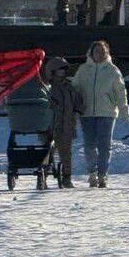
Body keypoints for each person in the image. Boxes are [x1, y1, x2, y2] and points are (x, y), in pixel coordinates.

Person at [72, 40, 129, 188]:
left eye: (103, 51)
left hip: (107, 113)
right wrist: (73, 109)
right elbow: (75, 89)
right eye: (97, 51)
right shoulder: (83, 70)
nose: (100, 54)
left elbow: (121, 92)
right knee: (89, 145)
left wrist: (124, 111)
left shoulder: (113, 70)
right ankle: (92, 172)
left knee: (104, 145)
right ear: (91, 53)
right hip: (87, 113)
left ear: (107, 53)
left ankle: (102, 175)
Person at [44, 56, 84, 188]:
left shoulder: (69, 86)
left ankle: (67, 178)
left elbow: (78, 101)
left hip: (67, 125)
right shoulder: (48, 88)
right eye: (59, 69)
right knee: (46, 153)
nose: (62, 71)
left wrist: (77, 111)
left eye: (63, 68)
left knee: (66, 153)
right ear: (52, 71)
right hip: (50, 126)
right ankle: (43, 177)